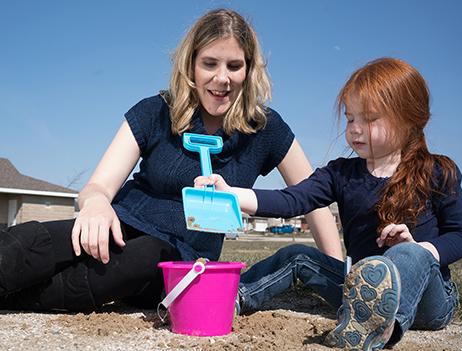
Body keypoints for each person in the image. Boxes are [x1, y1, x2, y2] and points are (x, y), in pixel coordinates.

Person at [0, 9, 340, 312]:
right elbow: (98, 186)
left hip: (179, 260)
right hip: (121, 223)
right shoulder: (155, 111)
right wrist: (96, 205)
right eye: (210, 63)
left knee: (142, 257)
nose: (222, 78)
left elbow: (314, 198)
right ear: (191, 63)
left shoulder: (265, 127)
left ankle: (16, 299)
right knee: (33, 244)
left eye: (234, 66)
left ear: (248, 70)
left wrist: (337, 273)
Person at [194, 57, 462, 350]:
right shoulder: (341, 173)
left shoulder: (438, 171)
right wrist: (231, 194)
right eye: (350, 118)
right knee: (296, 255)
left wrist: (420, 249)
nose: (354, 128)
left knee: (409, 253)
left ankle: (382, 329)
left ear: (408, 118)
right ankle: (228, 298)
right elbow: (292, 199)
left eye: (369, 118)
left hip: (428, 301)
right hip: (356, 291)